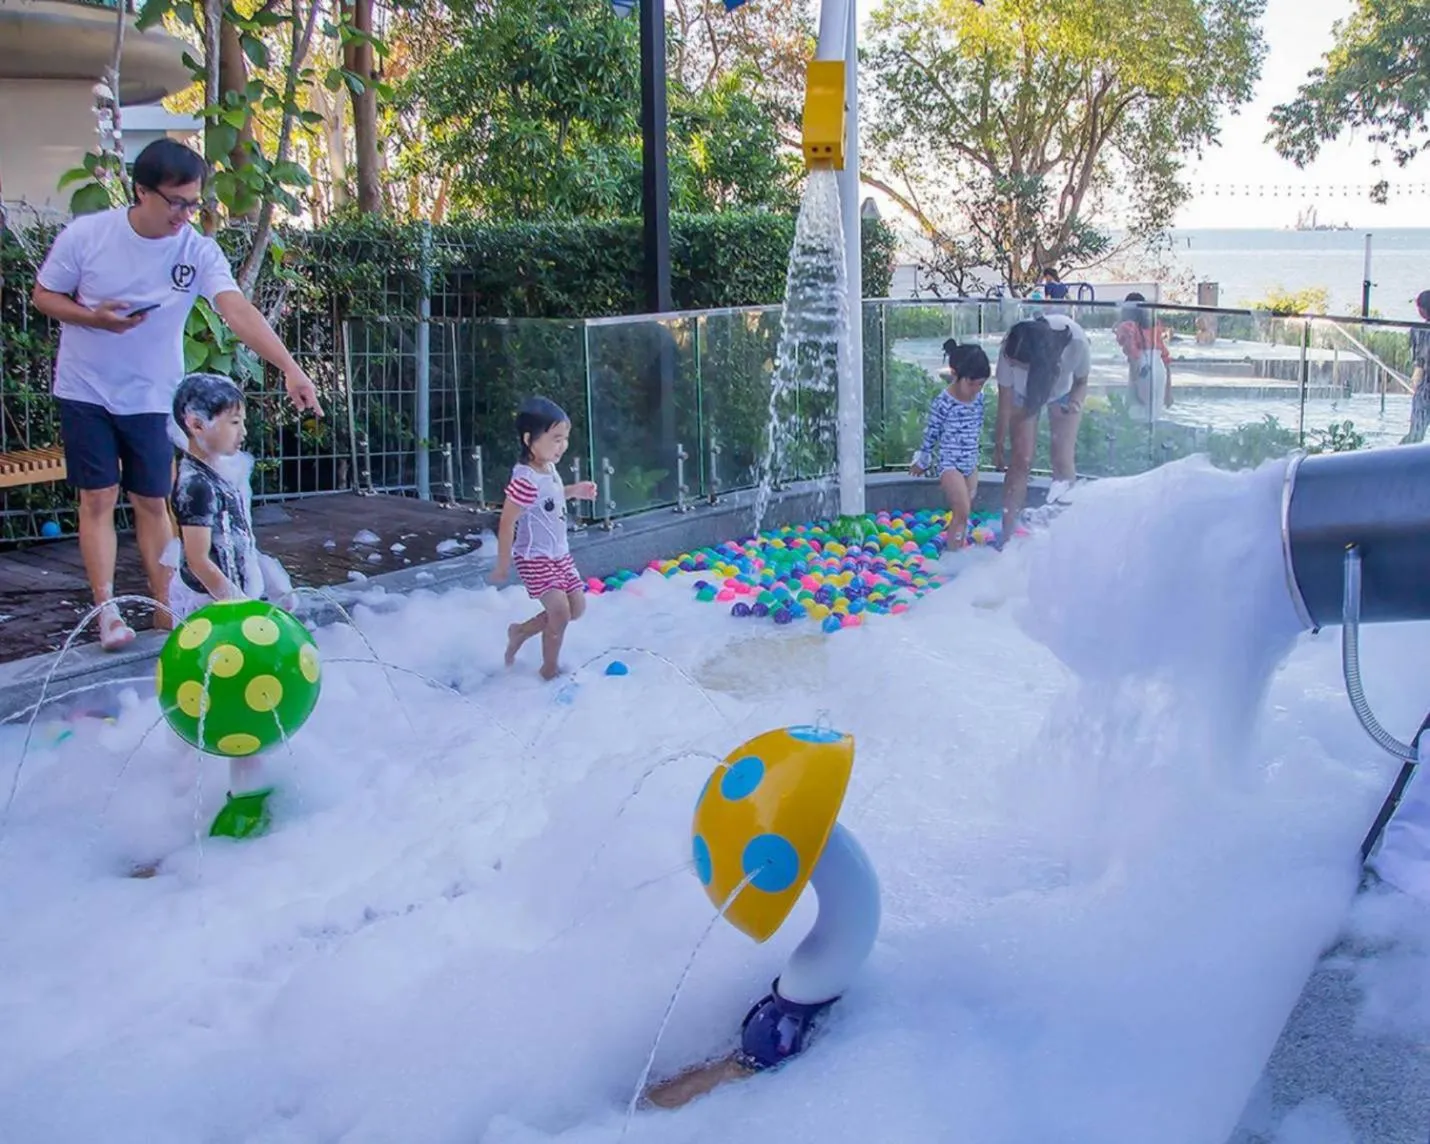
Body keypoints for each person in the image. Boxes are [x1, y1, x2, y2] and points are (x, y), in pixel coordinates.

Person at [30, 138, 321, 652]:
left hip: (153, 394)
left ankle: (168, 613)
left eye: (194, 202)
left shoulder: (196, 250)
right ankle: (107, 611)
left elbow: (237, 311)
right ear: (141, 192)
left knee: (152, 499)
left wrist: (291, 368)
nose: (186, 214)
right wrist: (91, 317)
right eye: (176, 202)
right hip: (86, 388)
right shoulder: (89, 235)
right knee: (97, 496)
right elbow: (44, 296)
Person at [165, 372, 292, 621]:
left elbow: (242, 541)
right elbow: (198, 560)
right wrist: (238, 606)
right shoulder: (196, 486)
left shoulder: (222, 474)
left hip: (228, 597)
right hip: (208, 606)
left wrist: (273, 584)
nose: (243, 431)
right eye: (234, 423)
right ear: (197, 424)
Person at [494, 398, 598, 680]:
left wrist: (574, 490)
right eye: (555, 439)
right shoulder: (525, 479)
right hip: (534, 556)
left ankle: (520, 632)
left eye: (564, 439)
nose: (562, 446)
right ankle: (548, 670)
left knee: (576, 608)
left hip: (559, 554)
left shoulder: (547, 468)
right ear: (530, 440)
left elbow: (548, 499)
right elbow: (506, 522)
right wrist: (503, 564)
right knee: (560, 613)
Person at [992, 314, 1091, 542]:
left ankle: (1064, 535)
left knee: (1062, 458)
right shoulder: (1013, 343)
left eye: (1019, 364)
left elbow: (1081, 381)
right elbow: (1005, 401)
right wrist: (998, 444)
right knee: (1021, 460)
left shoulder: (1076, 343)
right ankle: (1007, 538)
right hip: (1022, 395)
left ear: (1038, 363)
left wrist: (1075, 403)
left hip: (1063, 393)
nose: (1013, 363)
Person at [909, 338, 992, 549]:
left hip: (970, 462)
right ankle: (953, 556)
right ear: (955, 375)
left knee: (965, 510)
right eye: (971, 383)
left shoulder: (979, 398)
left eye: (981, 384)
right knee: (961, 510)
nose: (976, 388)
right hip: (949, 464)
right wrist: (922, 460)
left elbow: (976, 426)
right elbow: (931, 434)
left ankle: (958, 543)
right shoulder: (944, 402)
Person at [1114, 292, 1173, 416]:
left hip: (1142, 369)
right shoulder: (1154, 326)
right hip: (1159, 369)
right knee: (1152, 415)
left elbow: (1134, 358)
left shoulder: (1128, 327)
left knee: (1135, 413)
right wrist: (1168, 391)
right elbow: (1166, 359)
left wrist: (1133, 390)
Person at [1401, 290, 1430, 444]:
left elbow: (1419, 361)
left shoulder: (1418, 330)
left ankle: (1398, 460)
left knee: (1416, 433)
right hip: (1425, 385)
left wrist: (1415, 381)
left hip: (1425, 387)